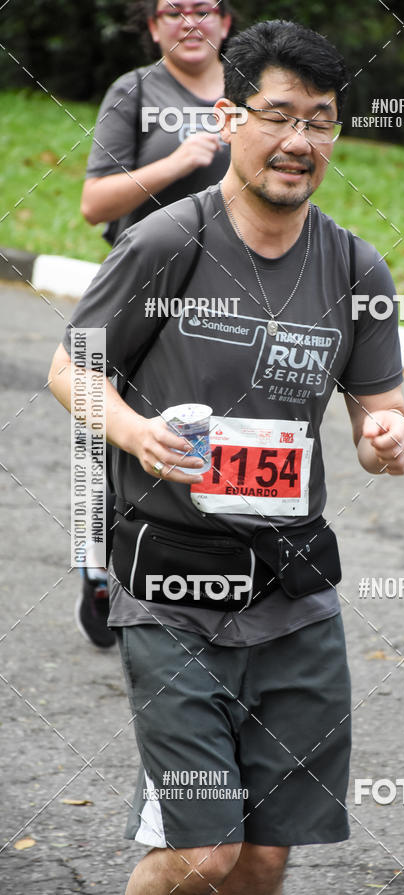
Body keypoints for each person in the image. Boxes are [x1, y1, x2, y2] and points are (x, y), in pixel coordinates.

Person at [49, 19, 404, 895]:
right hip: (172, 589)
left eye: (319, 121)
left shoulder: (356, 269)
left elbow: (382, 415)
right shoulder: (167, 242)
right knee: (204, 849)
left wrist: (391, 438)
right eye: (279, 115)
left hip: (294, 595)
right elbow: (71, 368)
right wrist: (136, 433)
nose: (299, 141)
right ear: (229, 119)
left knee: (264, 855)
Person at [77, 0, 233, 649]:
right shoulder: (136, 91)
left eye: (203, 9)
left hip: (225, 298)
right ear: (152, 27)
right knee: (113, 436)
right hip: (140, 296)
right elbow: (94, 203)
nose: (189, 22)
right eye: (173, 11)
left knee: (216, 435)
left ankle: (210, 577)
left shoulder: (251, 90)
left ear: (226, 22)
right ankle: (99, 569)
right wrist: (179, 161)